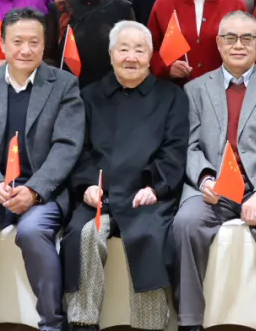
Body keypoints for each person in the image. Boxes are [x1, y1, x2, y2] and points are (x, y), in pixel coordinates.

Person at [0, 8, 84, 331]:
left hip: (41, 190)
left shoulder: (63, 85)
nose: (26, 50)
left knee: (33, 232)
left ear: (44, 44)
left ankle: (52, 323)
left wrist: (34, 190)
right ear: (2, 44)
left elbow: (67, 146)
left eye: (34, 42)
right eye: (17, 41)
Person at [174, 11, 256, 331]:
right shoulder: (195, 88)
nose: (238, 45)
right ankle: (189, 321)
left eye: (248, 38)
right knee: (186, 223)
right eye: (230, 37)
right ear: (218, 43)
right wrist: (205, 178)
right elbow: (188, 146)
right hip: (213, 185)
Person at [62, 21, 188, 330]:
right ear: (110, 55)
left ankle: (150, 325)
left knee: (148, 238)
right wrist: (87, 186)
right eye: (123, 49)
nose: (131, 57)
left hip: (146, 194)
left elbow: (174, 149)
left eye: (139, 50)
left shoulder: (171, 96)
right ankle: (82, 323)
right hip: (100, 195)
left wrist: (156, 187)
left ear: (150, 56)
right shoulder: (89, 96)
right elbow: (80, 149)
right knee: (85, 235)